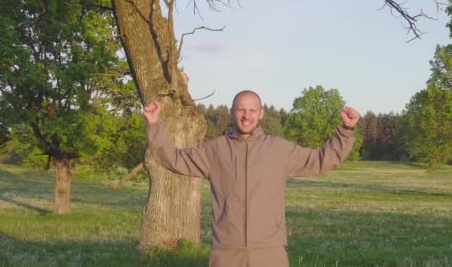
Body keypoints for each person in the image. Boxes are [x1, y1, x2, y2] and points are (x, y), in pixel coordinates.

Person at [144, 90, 359, 267]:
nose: (247, 116)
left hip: (270, 252)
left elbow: (322, 159)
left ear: (261, 113)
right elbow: (173, 158)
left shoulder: (279, 149)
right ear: (232, 112)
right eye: (241, 110)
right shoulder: (215, 150)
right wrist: (154, 125)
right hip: (226, 252)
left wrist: (346, 130)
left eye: (252, 111)